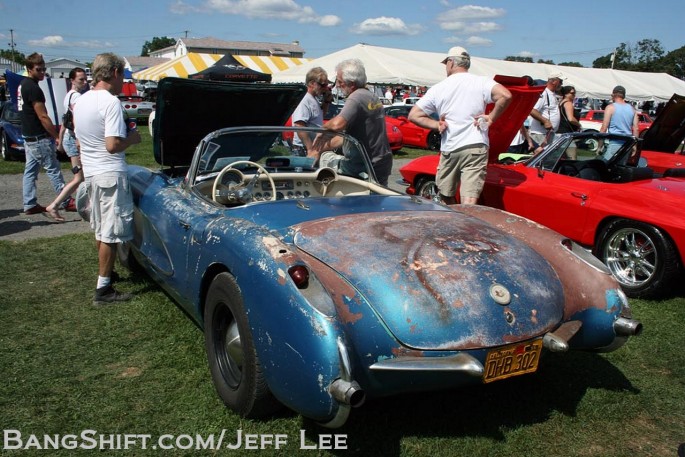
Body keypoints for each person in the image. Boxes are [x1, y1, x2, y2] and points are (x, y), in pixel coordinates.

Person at [73, 52, 141, 306]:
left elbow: (80, 141)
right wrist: (133, 139)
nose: (123, 80)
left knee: (101, 229)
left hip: (91, 172)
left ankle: (108, 272)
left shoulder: (81, 101)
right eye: (123, 74)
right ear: (114, 73)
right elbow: (112, 145)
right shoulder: (110, 102)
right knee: (111, 233)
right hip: (109, 172)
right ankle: (103, 289)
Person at [408, 46, 511, 205]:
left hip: (450, 147)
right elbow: (505, 95)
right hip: (475, 145)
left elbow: (414, 115)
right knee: (469, 199)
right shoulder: (481, 81)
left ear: (451, 63)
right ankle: (468, 224)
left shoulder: (438, 88)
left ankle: (454, 223)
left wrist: (436, 124)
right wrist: (490, 118)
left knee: (445, 194)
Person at [309, 58, 393, 186]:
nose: (337, 85)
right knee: (376, 199)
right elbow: (348, 137)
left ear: (352, 84)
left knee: (326, 159)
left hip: (363, 166)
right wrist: (317, 148)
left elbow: (338, 124)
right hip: (380, 162)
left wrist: (322, 132)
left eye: (340, 81)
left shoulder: (356, 97)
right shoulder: (372, 96)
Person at [18, 53, 65, 215]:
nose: (42, 72)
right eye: (38, 69)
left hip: (28, 135)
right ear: (29, 69)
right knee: (53, 168)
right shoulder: (33, 88)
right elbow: (43, 116)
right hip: (38, 136)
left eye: (44, 69)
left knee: (30, 171)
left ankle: (29, 203)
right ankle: (65, 199)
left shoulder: (23, 84)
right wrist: (56, 135)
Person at [46, 67, 88, 221]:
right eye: (81, 79)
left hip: (70, 139)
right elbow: (76, 121)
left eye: (85, 79)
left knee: (82, 176)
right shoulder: (76, 97)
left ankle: (83, 204)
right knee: (79, 177)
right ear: (72, 80)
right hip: (75, 140)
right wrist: (77, 140)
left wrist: (61, 139)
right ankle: (55, 205)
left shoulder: (68, 96)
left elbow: (65, 120)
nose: (84, 82)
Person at [291, 67, 329, 156]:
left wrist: (326, 101)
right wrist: (310, 149)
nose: (325, 88)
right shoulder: (304, 99)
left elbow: (319, 117)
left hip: (310, 147)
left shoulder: (313, 98)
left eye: (326, 85)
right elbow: (299, 125)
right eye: (323, 85)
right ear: (312, 83)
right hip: (303, 149)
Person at [599, 85, 638, 159]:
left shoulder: (610, 108)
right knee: (621, 168)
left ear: (613, 95)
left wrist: (599, 146)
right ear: (624, 96)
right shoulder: (632, 109)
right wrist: (634, 145)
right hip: (627, 143)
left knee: (607, 167)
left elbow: (604, 128)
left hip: (615, 142)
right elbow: (636, 128)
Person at [529, 73, 564, 151]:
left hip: (548, 133)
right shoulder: (544, 93)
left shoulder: (552, 94)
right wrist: (545, 121)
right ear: (554, 81)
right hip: (540, 134)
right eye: (561, 81)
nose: (562, 84)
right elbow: (532, 110)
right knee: (539, 157)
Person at [557, 85, 582, 159]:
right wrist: (579, 125)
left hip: (560, 133)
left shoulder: (560, 103)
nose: (574, 95)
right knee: (572, 157)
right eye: (572, 93)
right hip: (567, 133)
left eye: (574, 93)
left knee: (562, 157)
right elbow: (570, 118)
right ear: (566, 94)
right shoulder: (568, 103)